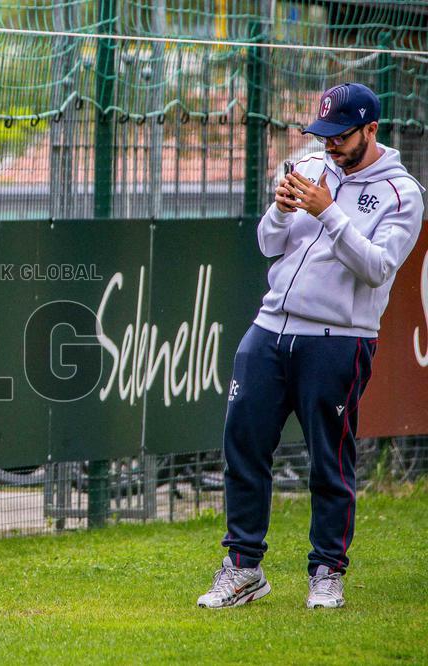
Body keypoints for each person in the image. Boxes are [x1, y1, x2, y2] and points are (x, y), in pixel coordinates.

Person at [197, 83, 424, 610]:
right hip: (270, 327)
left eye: (340, 136)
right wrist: (279, 211)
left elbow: (376, 268)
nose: (330, 146)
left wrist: (328, 212)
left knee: (330, 459)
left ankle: (327, 572)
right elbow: (267, 244)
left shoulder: (402, 193)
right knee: (243, 444)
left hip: (339, 339)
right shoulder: (308, 166)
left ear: (371, 129)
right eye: (322, 134)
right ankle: (242, 567)